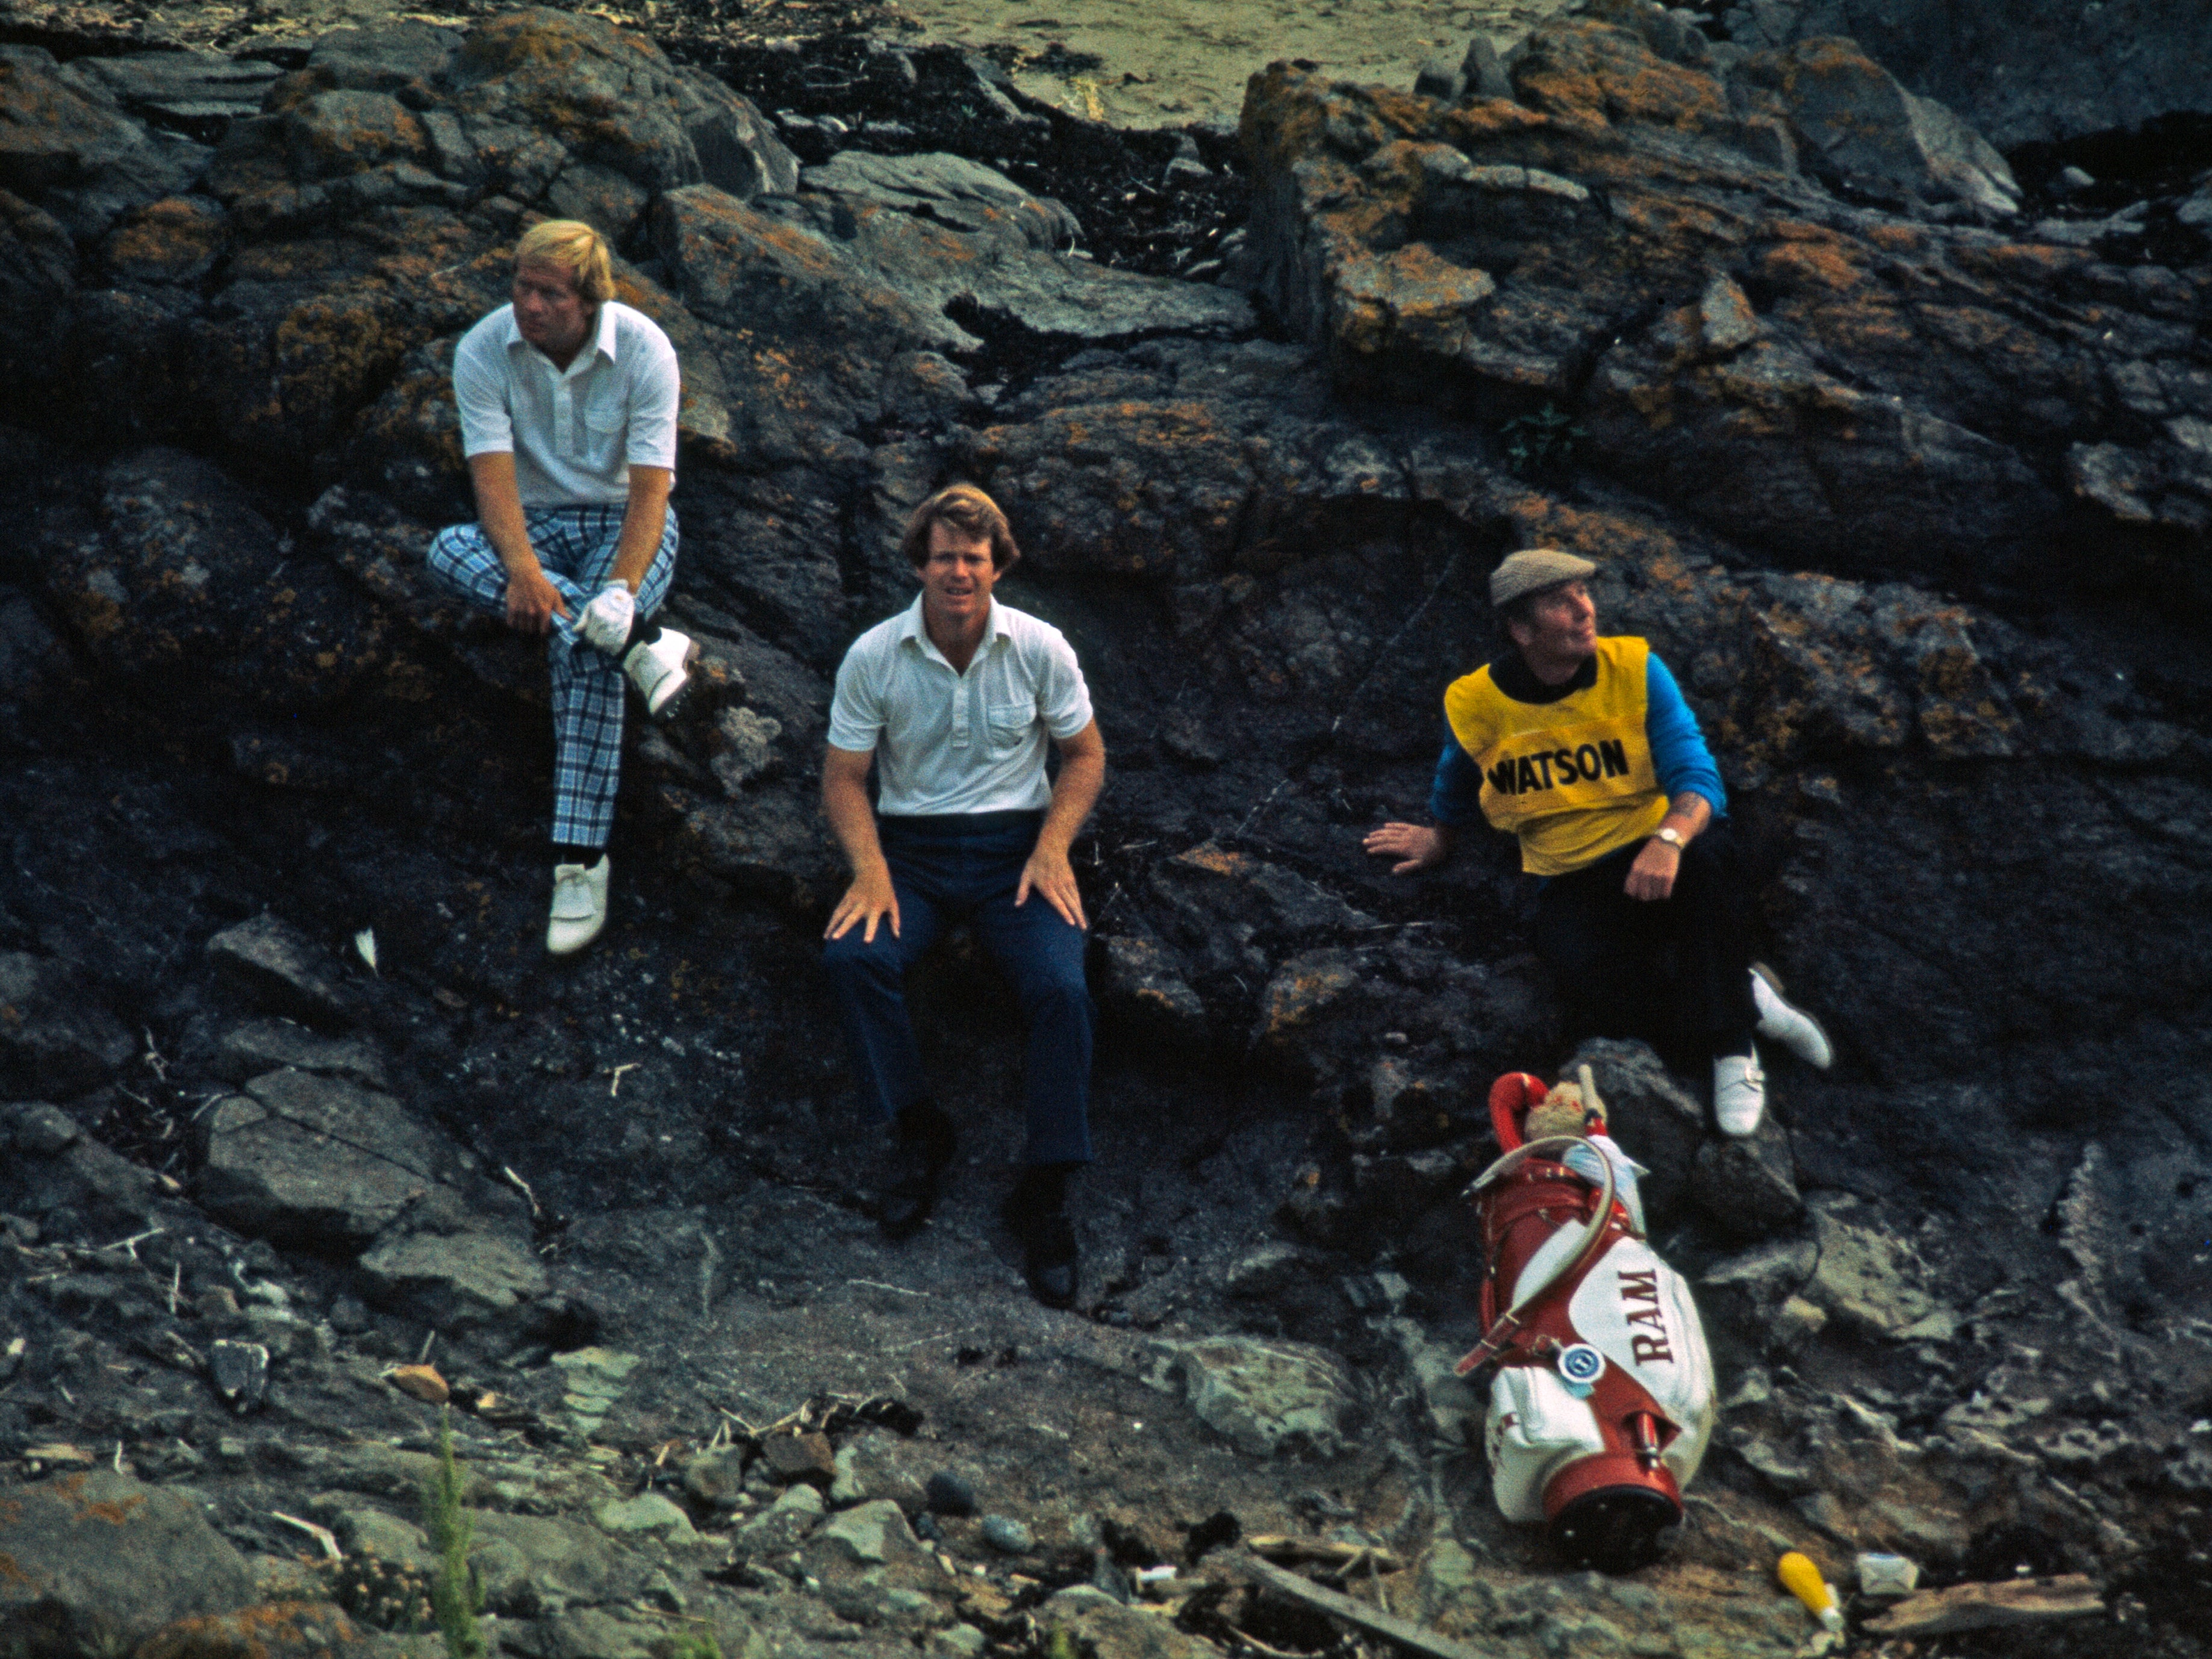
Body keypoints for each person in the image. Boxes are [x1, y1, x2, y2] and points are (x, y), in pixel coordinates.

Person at [1363, 549, 1831, 1135]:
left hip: (1655, 846)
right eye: (1562, 601)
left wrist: (1667, 839)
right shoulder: (1476, 700)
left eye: (1584, 593)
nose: (1585, 610)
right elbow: (1457, 773)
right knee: (1595, 997)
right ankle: (1748, 997)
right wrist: (1440, 837)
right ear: (1520, 628)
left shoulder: (1635, 668)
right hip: (1569, 873)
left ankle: (1733, 1045)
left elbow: (1696, 775)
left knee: (1710, 861)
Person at [820, 484, 1107, 1308]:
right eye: (943, 555)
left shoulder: (1039, 646)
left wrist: (1053, 847)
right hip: (910, 852)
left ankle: (1046, 1187)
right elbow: (843, 777)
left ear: (997, 565)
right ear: (919, 562)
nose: (958, 571)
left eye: (973, 558)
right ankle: (920, 1130)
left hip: (1014, 850)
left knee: (1061, 987)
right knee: (852, 958)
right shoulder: (875, 653)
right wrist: (869, 866)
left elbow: (1084, 755)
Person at [426, 219, 696, 956]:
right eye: (522, 286)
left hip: (624, 524)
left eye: (550, 294)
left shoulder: (645, 349)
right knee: (446, 551)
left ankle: (579, 859)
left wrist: (620, 588)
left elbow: (650, 494)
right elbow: (492, 478)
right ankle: (644, 648)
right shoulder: (484, 349)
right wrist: (522, 570)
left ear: (588, 299)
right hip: (534, 528)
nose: (531, 306)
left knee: (578, 654)